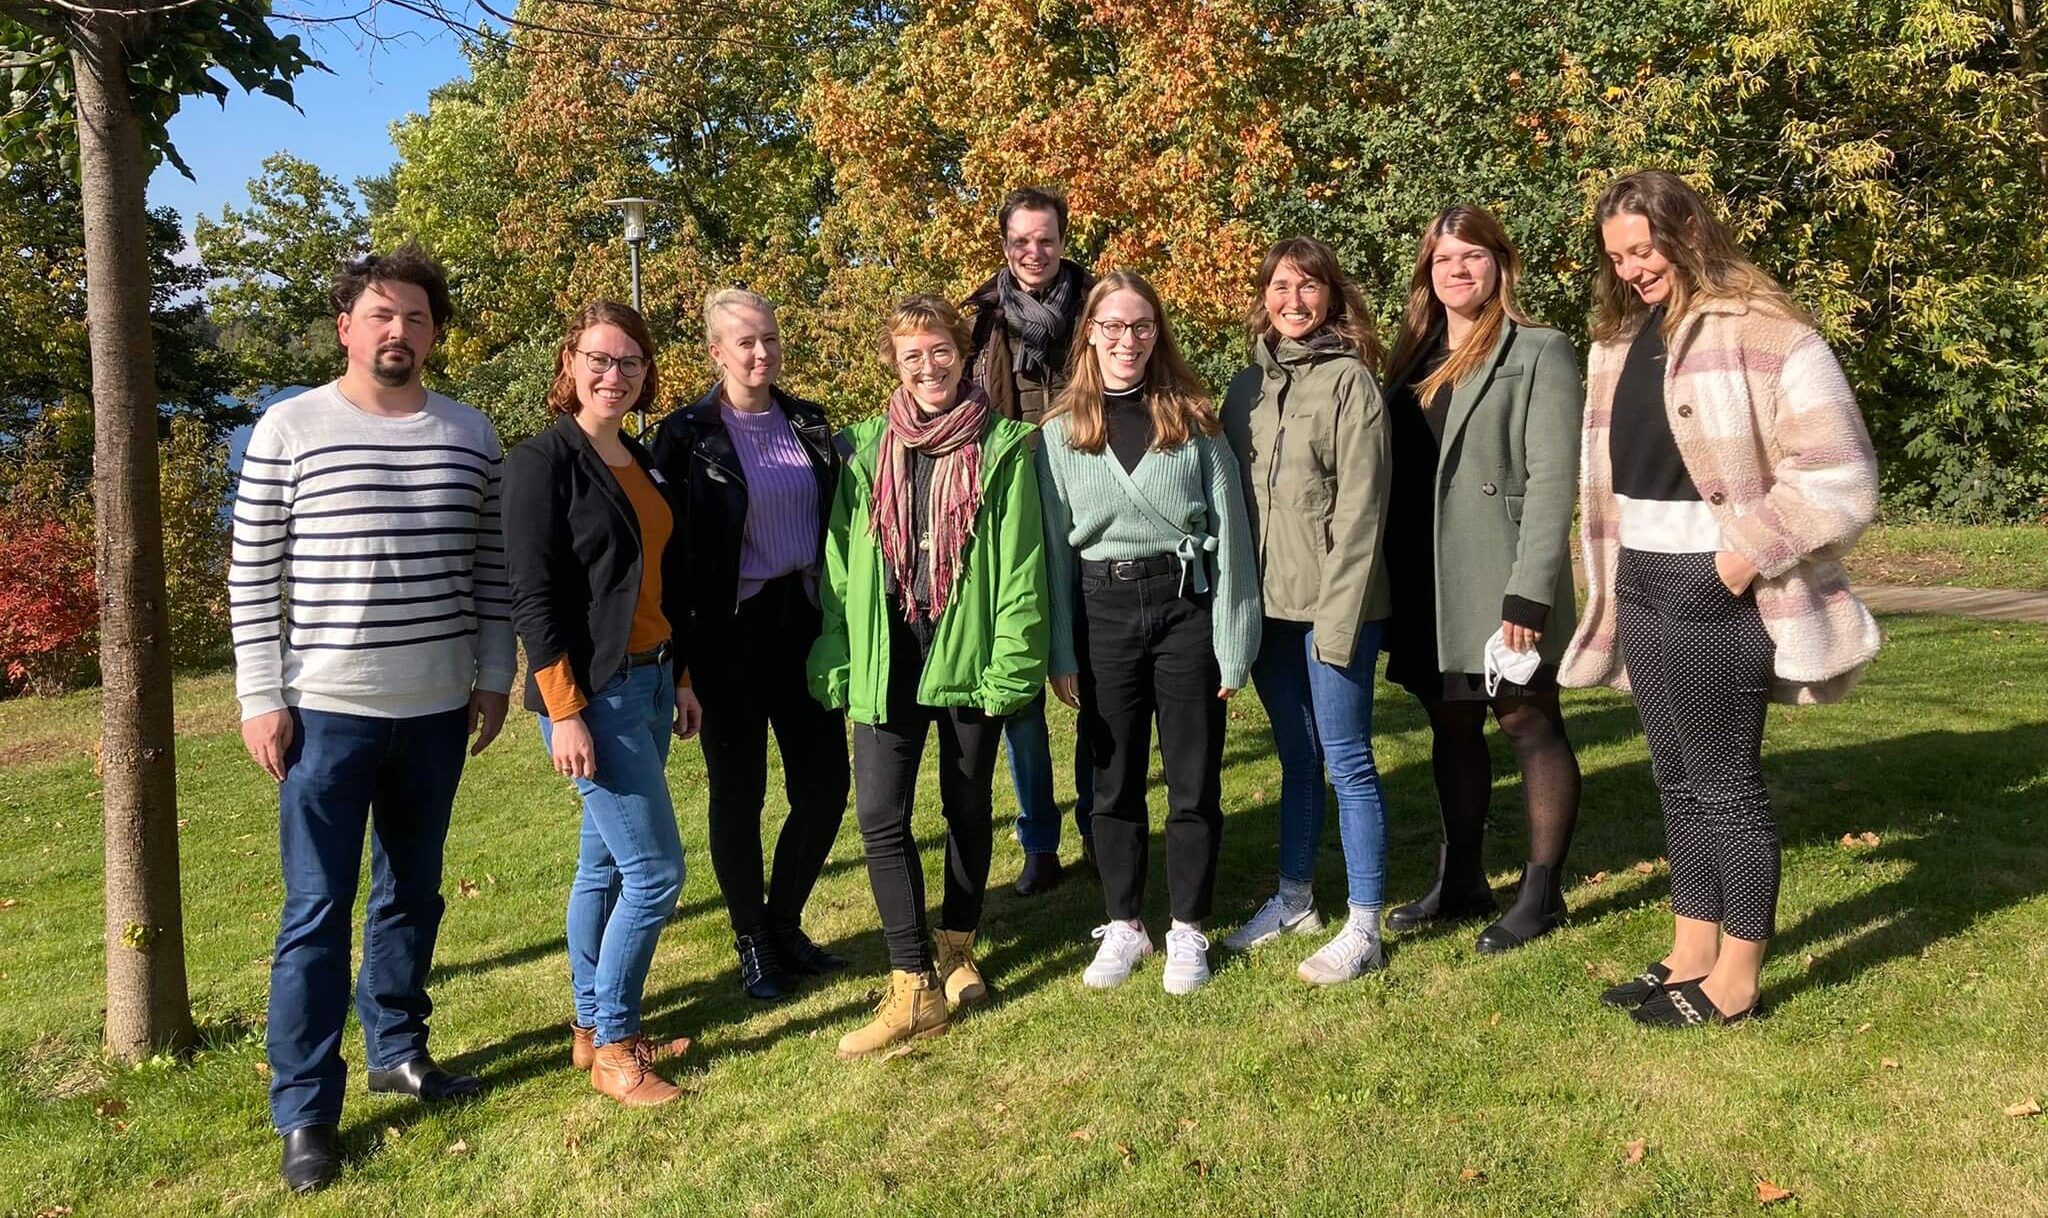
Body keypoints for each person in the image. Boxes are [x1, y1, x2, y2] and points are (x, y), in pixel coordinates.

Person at [1561, 170, 1881, 1027]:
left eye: (1642, 249)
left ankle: (1737, 981)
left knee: (1726, 786)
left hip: (1716, 591)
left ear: (1687, 232)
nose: (1631, 269)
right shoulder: (1621, 341)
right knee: (1675, 782)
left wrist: (1740, 560)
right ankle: (1690, 953)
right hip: (1640, 580)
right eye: (1617, 257)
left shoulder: (1771, 336)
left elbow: (1843, 477)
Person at [231, 245, 511, 1193]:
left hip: (435, 709)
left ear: (435, 331)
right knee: (316, 912)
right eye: (381, 316)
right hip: (325, 715)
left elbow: (492, 572)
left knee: (412, 894)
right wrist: (260, 697)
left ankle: (398, 1047)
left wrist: (494, 676)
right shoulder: (289, 426)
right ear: (347, 326)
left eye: (417, 318)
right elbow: (252, 574)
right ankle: (307, 1109)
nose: (399, 333)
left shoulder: (471, 434)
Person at [809, 295, 1049, 1058]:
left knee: (966, 802)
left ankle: (957, 946)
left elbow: (1020, 568)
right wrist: (839, 653)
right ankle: (912, 981)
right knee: (880, 815)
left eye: (939, 350)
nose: (928, 366)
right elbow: (843, 567)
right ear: (895, 362)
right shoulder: (866, 446)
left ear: (962, 354)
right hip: (890, 651)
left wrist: (1011, 664)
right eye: (912, 355)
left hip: (970, 651)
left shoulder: (1006, 446)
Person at [1036, 272, 1260, 994]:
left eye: (1140, 326)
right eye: (1112, 327)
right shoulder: (1060, 433)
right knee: (1113, 779)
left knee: (1193, 780)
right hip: (1102, 611)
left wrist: (1234, 639)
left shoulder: (1194, 422)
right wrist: (1063, 652)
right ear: (1090, 335)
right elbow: (1053, 556)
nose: (1126, 341)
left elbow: (1232, 539)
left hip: (1185, 607)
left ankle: (1189, 928)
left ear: (1156, 334)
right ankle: (1125, 924)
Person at [504, 300, 701, 1105]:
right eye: (600, 359)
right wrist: (563, 710)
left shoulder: (642, 459)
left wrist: (683, 678)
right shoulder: (542, 461)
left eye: (630, 363)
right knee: (655, 873)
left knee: (604, 868)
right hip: (599, 694)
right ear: (570, 364)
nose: (614, 375)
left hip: (654, 681)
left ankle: (590, 1030)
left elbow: (664, 583)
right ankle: (619, 1045)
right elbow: (533, 597)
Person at [1380, 206, 1586, 954]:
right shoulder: (1412, 355)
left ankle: (1541, 892)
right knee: (1451, 724)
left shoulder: (1539, 350)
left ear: (1501, 263)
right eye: (1442, 259)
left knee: (1527, 721)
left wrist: (1529, 591)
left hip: (1501, 576)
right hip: (1427, 580)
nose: (1456, 271)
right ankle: (1462, 879)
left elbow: (1553, 476)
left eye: (1471, 256)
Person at [649, 289, 850, 1003]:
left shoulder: (811, 425)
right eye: (744, 342)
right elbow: (671, 558)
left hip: (803, 623)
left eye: (769, 338)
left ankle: (785, 922)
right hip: (726, 633)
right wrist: (683, 665)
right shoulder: (685, 436)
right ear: (715, 351)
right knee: (740, 793)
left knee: (826, 787)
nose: (760, 353)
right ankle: (752, 941)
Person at [1220, 236, 1396, 985]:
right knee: (1299, 759)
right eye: (1281, 288)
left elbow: (1363, 511)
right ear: (1264, 297)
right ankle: (1295, 899)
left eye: (1310, 287)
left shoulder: (1352, 383)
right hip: (1267, 612)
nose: (1294, 302)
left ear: (1332, 295)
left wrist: (1339, 618)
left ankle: (1366, 924)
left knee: (1348, 761)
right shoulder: (1243, 391)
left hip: (1336, 608)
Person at [963, 185, 1098, 894]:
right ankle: (1039, 840)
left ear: (1063, 239)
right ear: (1004, 245)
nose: (1033, 253)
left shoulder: (1100, 307)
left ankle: (1099, 826)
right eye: (1020, 242)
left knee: (1095, 683)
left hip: (1091, 505)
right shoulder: (982, 320)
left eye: (1045, 240)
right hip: (1012, 513)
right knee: (1021, 695)